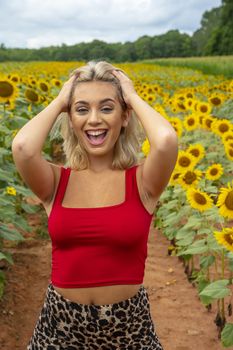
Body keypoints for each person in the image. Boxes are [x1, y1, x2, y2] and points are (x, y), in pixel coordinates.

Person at [12, 60, 178, 349]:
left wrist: (132, 95)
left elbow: (165, 141)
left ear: (124, 116)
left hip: (129, 330)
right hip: (59, 328)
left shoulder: (142, 182)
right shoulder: (55, 182)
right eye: (81, 109)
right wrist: (61, 99)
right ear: (71, 118)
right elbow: (23, 148)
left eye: (106, 107)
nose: (94, 120)